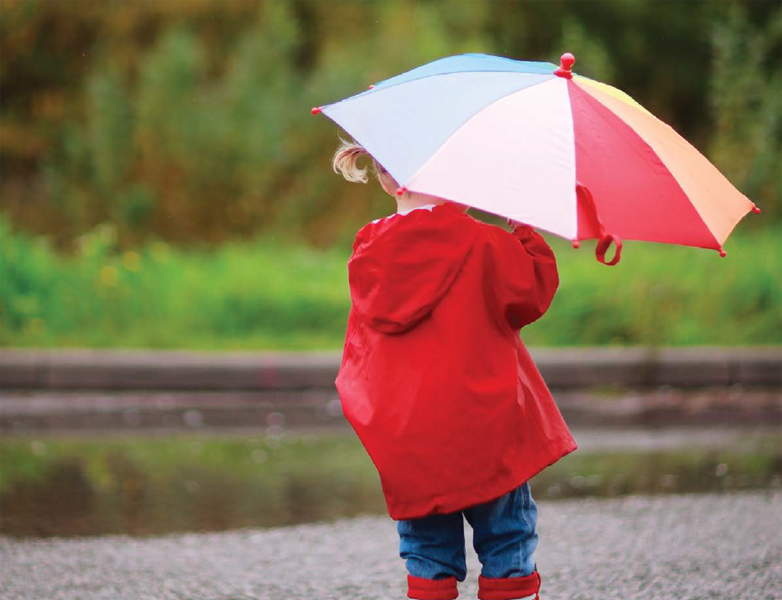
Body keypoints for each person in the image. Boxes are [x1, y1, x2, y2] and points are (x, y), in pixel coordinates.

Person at [332, 137, 577, 600]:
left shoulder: (369, 250)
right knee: (507, 537)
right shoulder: (483, 244)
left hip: (410, 439)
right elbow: (533, 291)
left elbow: (362, 350)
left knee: (427, 550)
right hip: (486, 428)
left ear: (388, 179)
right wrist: (521, 225)